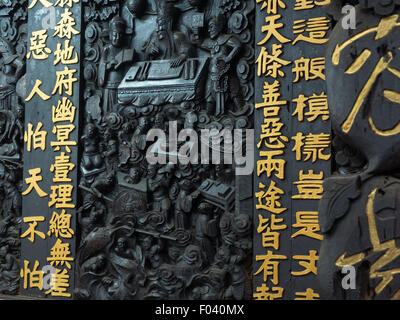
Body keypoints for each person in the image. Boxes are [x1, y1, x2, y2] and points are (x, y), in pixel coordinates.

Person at [98, 16, 135, 114]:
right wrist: (108, 65)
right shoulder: (107, 49)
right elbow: (101, 65)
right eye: (114, 35)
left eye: (120, 35)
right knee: (110, 112)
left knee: (122, 111)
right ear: (110, 35)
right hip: (110, 86)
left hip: (123, 84)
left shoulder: (125, 49)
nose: (117, 38)